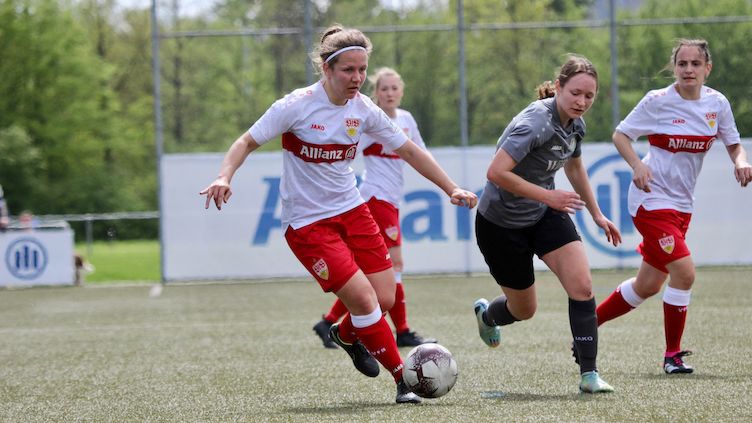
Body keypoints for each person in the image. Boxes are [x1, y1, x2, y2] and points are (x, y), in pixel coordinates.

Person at [200, 24, 478, 404]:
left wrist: (452, 188)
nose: (357, 78)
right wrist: (223, 175)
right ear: (326, 70)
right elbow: (246, 141)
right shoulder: (295, 105)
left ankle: (346, 335)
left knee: (385, 299)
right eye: (348, 70)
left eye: (362, 70)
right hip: (308, 225)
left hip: (353, 211)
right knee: (365, 301)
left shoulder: (364, 110)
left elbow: (410, 150)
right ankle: (402, 380)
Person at [595, 38, 752, 374]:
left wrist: (741, 161)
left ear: (707, 69)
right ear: (674, 68)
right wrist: (637, 165)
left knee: (647, 286)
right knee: (684, 272)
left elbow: (734, 144)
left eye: (696, 64)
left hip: (682, 206)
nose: (689, 69)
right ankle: (672, 356)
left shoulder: (717, 104)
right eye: (682, 63)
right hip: (650, 202)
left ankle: (586, 325)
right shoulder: (658, 101)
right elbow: (621, 135)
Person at [472, 55, 621, 394]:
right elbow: (496, 173)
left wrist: (597, 214)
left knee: (582, 286)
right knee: (525, 310)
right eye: (576, 93)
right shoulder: (535, 123)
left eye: (590, 96)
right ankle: (488, 316)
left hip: (543, 214)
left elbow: (574, 168)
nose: (582, 102)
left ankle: (589, 375)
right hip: (500, 225)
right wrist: (548, 196)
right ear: (558, 87)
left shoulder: (575, 124)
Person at [312, 67, 437, 349]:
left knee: (371, 272)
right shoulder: (370, 123)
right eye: (384, 89)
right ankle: (402, 330)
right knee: (395, 264)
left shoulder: (406, 119)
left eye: (394, 88)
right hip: (374, 199)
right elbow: (347, 147)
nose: (389, 93)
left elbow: (420, 151)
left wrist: (447, 184)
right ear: (376, 93)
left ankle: (328, 321)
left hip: (390, 201)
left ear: (401, 91)